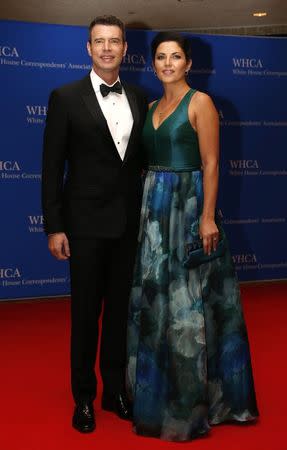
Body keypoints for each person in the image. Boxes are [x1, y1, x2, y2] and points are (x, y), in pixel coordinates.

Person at [126, 31, 259, 442]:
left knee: (191, 308)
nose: (168, 63)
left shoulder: (200, 103)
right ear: (153, 64)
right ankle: (156, 397)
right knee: (156, 305)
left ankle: (196, 403)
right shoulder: (149, 108)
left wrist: (206, 217)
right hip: (153, 213)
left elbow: (212, 162)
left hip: (188, 207)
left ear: (188, 63)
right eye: (161, 57)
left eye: (176, 56)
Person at [42, 15, 147, 433]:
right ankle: (83, 397)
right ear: (88, 48)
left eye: (115, 42)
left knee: (120, 314)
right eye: (99, 41)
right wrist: (54, 225)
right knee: (85, 316)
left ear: (125, 49)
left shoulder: (140, 98)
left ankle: (114, 392)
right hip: (83, 227)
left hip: (127, 227)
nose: (107, 48)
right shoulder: (65, 97)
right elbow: (51, 169)